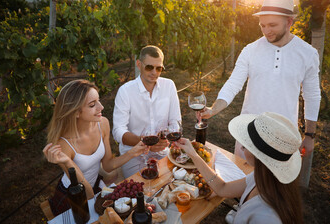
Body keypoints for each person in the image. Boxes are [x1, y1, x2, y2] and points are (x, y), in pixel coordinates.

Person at [201, 0, 321, 159]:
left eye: (272, 25)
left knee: (276, 183)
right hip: (250, 132)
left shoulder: (308, 54)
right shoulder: (250, 50)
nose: (266, 31)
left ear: (289, 22)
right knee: (244, 179)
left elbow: (312, 95)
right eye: (262, 25)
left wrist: (309, 135)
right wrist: (214, 109)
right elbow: (233, 84)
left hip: (284, 135)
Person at [42, 79, 147, 216]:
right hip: (74, 196)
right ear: (76, 112)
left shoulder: (102, 124)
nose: (101, 107)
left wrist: (133, 152)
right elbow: (88, 194)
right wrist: (66, 162)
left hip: (95, 185)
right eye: (92, 105)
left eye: (98, 100)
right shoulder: (64, 145)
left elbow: (108, 165)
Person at [177, 112, 304, 224]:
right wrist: (193, 154)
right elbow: (223, 188)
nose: (242, 147)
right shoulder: (263, 177)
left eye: (248, 144)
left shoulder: (266, 217)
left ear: (259, 157)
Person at [112, 45, 181, 178]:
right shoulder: (125, 91)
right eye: (149, 67)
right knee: (141, 189)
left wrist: (165, 140)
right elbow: (118, 131)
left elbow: (175, 121)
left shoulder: (169, 86)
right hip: (133, 154)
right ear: (139, 64)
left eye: (159, 68)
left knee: (174, 182)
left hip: (162, 151)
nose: (154, 72)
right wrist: (145, 142)